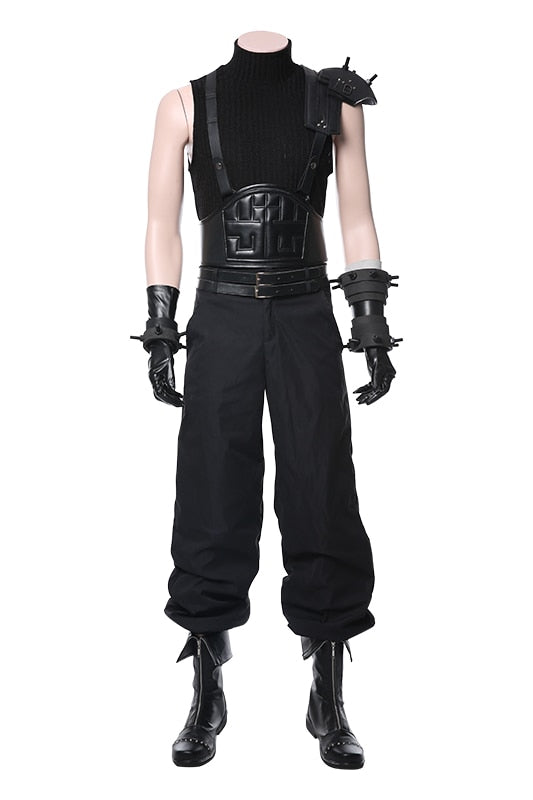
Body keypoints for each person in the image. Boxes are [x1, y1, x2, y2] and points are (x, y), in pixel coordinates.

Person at [131, 30, 401, 769]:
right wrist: (161, 328)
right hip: (219, 310)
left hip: (306, 308)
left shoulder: (332, 100)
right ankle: (206, 686)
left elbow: (355, 217)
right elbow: (160, 223)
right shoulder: (184, 103)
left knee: (321, 483)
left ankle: (328, 691)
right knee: (212, 485)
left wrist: (370, 323)